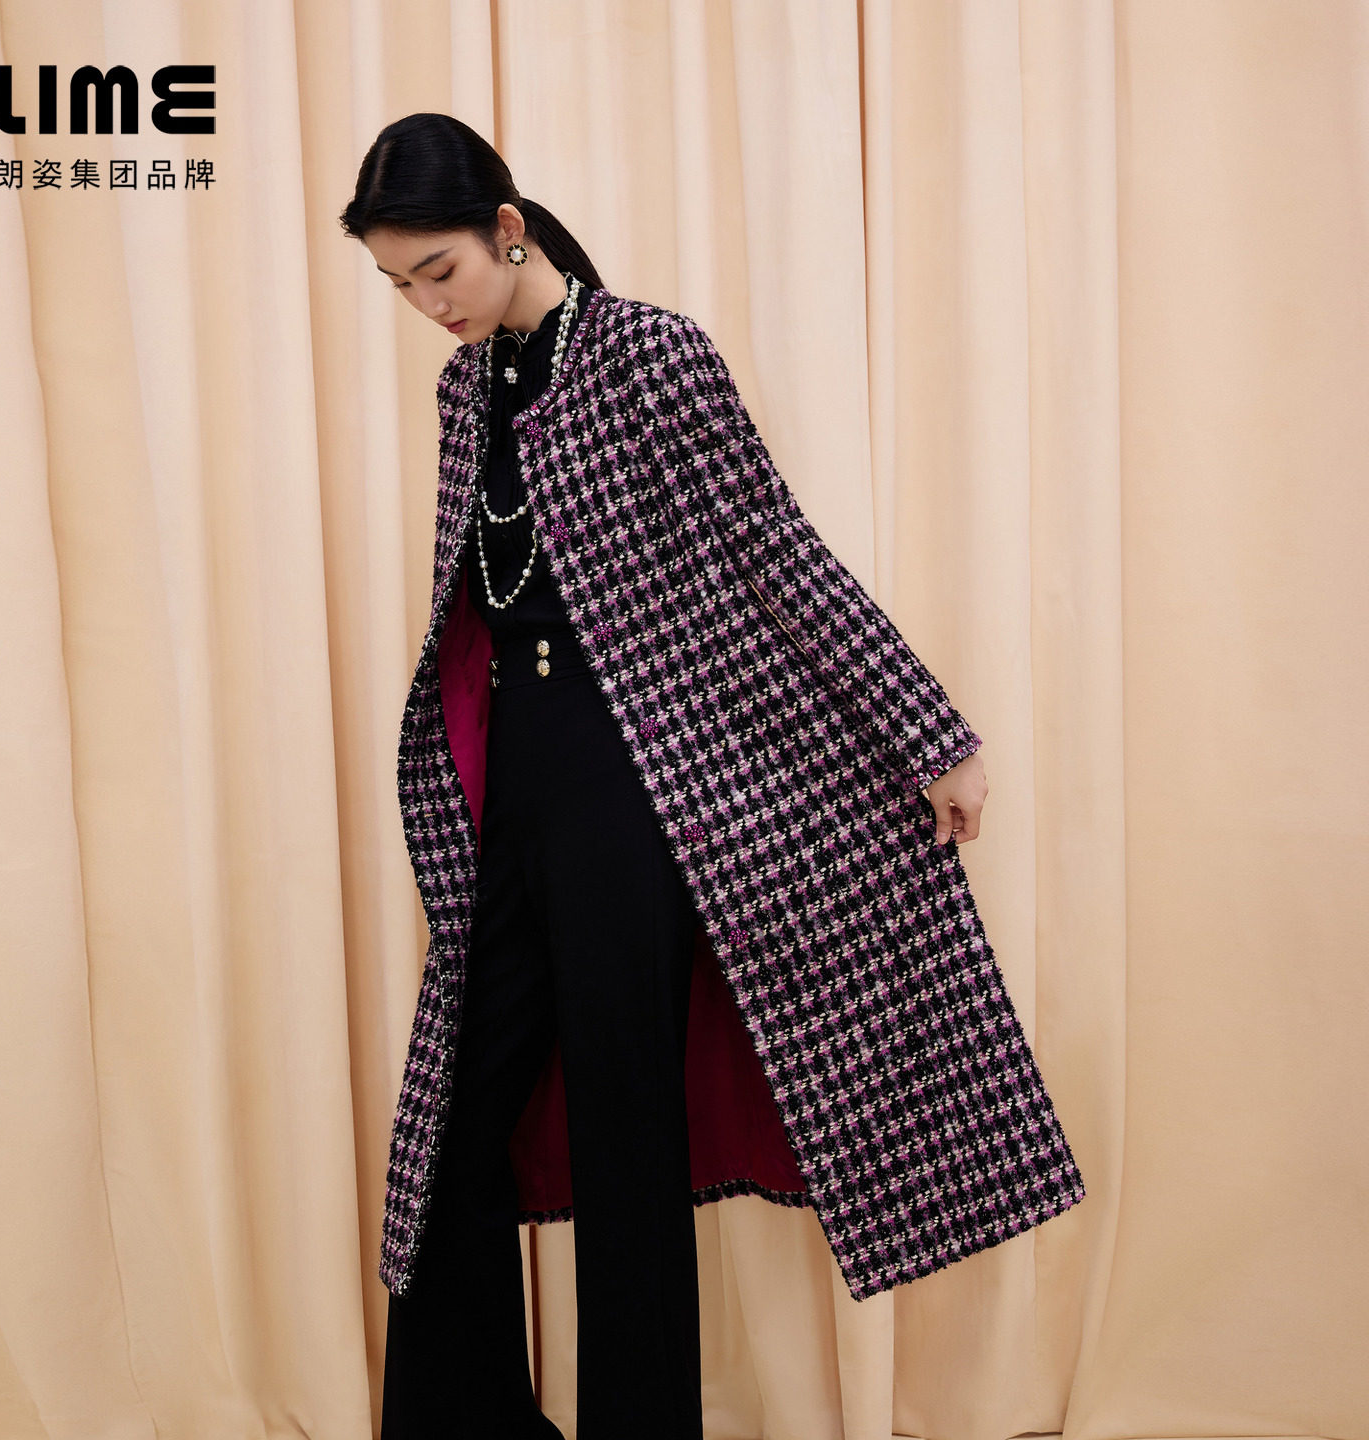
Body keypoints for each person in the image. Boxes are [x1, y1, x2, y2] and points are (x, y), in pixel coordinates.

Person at [340, 112, 997, 1440]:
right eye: (401, 286)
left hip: (629, 790)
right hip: (513, 794)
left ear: (506, 230)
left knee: (623, 1135)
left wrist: (930, 732)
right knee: (453, 1127)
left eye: (438, 272)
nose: (427, 307)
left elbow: (773, 547)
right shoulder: (465, 392)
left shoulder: (651, 355)